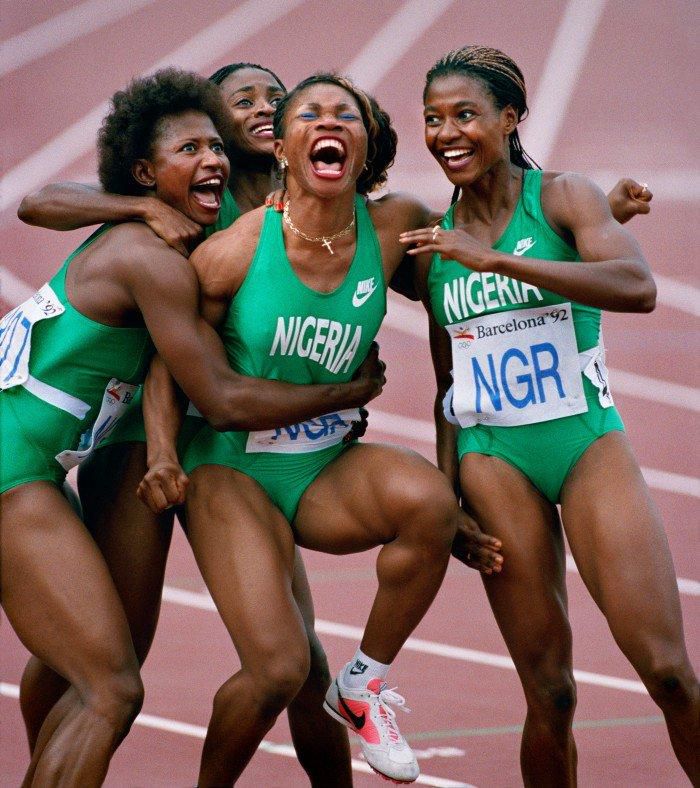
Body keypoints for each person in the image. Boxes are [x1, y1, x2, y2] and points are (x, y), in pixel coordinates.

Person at [1, 67, 390, 787]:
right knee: (107, 678)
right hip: (89, 451)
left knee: (137, 668)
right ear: (149, 170)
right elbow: (38, 200)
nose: (216, 150)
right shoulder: (152, 240)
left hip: (166, 452)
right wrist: (350, 390)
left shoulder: (270, 211)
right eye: (198, 142)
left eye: (269, 104)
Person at [138, 73, 506, 786]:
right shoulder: (240, 246)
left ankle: (363, 685)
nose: (329, 121)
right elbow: (168, 361)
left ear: (366, 148)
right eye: (310, 112)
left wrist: (589, 216)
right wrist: (159, 452)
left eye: (348, 114)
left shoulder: (395, 226)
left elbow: (472, 276)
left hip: (323, 469)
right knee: (279, 668)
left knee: (430, 501)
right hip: (229, 470)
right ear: (283, 146)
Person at [398, 45, 699, 785]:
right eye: (434, 120)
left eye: (465, 114)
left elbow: (635, 284)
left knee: (666, 671)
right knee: (550, 693)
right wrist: (448, 499)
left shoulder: (564, 198)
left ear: (509, 118)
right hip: (494, 459)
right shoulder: (434, 245)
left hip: (586, 442)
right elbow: (448, 381)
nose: (447, 133)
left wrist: (498, 261)